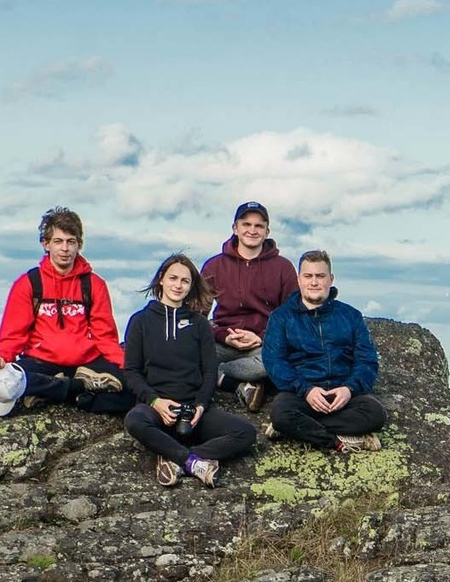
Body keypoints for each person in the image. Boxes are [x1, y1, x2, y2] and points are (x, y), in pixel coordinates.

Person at [120, 255, 259, 487]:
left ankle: (176, 458)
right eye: (173, 278)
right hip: (157, 408)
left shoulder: (199, 323)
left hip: (193, 410)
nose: (178, 285)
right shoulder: (140, 321)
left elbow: (210, 371)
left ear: (191, 285)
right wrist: (155, 401)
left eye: (185, 281)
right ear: (161, 279)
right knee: (134, 420)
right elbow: (132, 372)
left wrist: (200, 406)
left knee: (245, 433)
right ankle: (192, 462)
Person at [0, 207, 128, 418]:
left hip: (87, 365)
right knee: (11, 377)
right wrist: (3, 356)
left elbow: (105, 336)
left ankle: (49, 390)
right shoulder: (29, 283)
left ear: (79, 245)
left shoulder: (94, 285)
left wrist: (125, 364)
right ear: (46, 244)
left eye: (71, 242)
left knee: (128, 384)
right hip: (41, 362)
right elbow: (14, 333)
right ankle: (78, 388)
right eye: (58, 241)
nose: (65, 248)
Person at [261, 251, 388, 454]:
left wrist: (349, 389)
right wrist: (306, 390)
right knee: (281, 414)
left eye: (320, 276)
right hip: (302, 395)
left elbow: (367, 361)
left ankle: (298, 429)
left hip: (343, 395)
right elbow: (275, 362)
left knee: (376, 414)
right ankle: (337, 441)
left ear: (331, 279)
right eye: (308, 276)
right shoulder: (281, 317)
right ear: (299, 280)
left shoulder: (351, 316)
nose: (314, 282)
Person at [202, 201, 297, 411]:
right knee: (185, 356)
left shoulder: (283, 267)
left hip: (263, 345)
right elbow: (198, 317)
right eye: (246, 224)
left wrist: (262, 337)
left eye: (259, 226)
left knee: (277, 363)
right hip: (224, 341)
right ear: (235, 228)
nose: (252, 230)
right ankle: (239, 384)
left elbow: (292, 316)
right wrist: (223, 336)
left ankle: (220, 372)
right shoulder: (214, 266)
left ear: (267, 231)